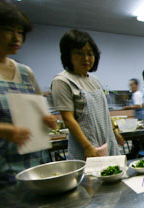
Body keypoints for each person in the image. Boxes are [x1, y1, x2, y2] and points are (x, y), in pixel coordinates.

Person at [0, 0, 57, 192]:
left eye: (20, 32)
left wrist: (46, 119)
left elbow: (38, 110)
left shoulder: (25, 71)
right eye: (7, 30)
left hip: (38, 168)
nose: (16, 38)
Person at [51, 29, 121, 160]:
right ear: (68, 55)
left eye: (90, 54)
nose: (86, 58)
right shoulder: (62, 81)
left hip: (107, 143)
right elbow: (68, 119)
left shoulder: (95, 80)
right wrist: (87, 146)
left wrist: (115, 132)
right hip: (86, 149)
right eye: (79, 53)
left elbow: (104, 113)